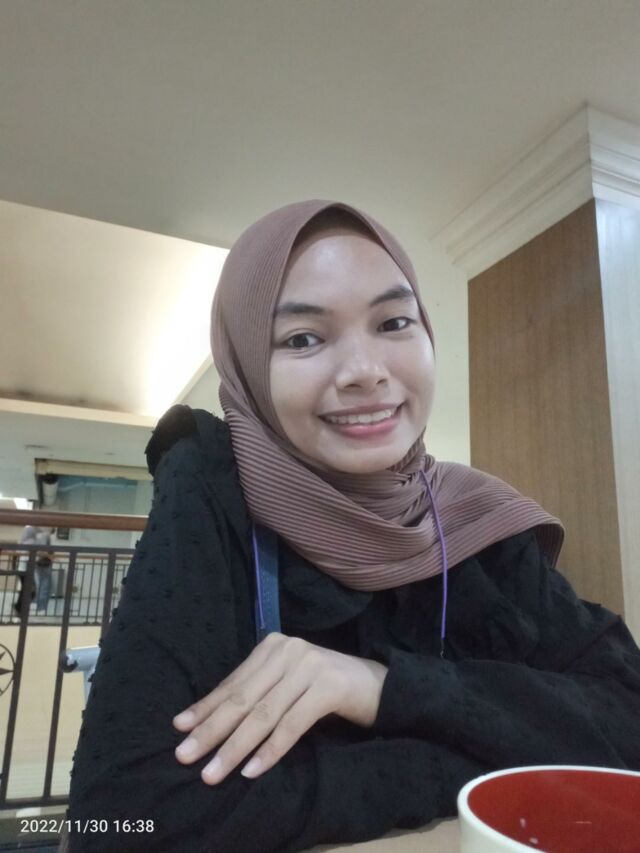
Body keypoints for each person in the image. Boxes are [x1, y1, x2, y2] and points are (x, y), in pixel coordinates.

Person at [67, 201, 640, 852]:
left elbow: (628, 715)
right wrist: (488, 753)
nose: (366, 371)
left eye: (393, 322)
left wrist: (379, 686)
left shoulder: (473, 516)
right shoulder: (214, 485)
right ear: (248, 361)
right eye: (303, 339)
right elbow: (120, 817)